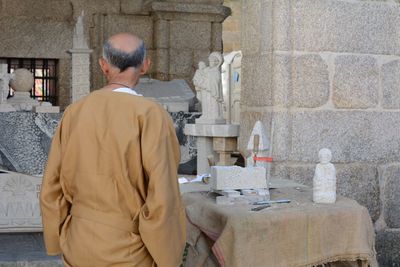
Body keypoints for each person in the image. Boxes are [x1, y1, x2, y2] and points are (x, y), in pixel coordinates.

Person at [40, 33, 186, 267]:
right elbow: (163, 196)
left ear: (103, 65)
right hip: (129, 249)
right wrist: (168, 256)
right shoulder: (150, 114)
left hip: (78, 242)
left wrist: (58, 239)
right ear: (145, 66)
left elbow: (52, 187)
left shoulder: (74, 112)